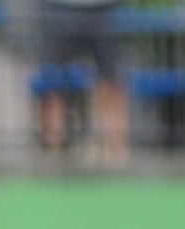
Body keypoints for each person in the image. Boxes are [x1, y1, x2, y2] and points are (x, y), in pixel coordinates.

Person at [37, 0, 128, 165]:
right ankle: (51, 154)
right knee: (52, 82)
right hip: (60, 8)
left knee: (111, 82)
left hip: (103, 9)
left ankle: (117, 153)